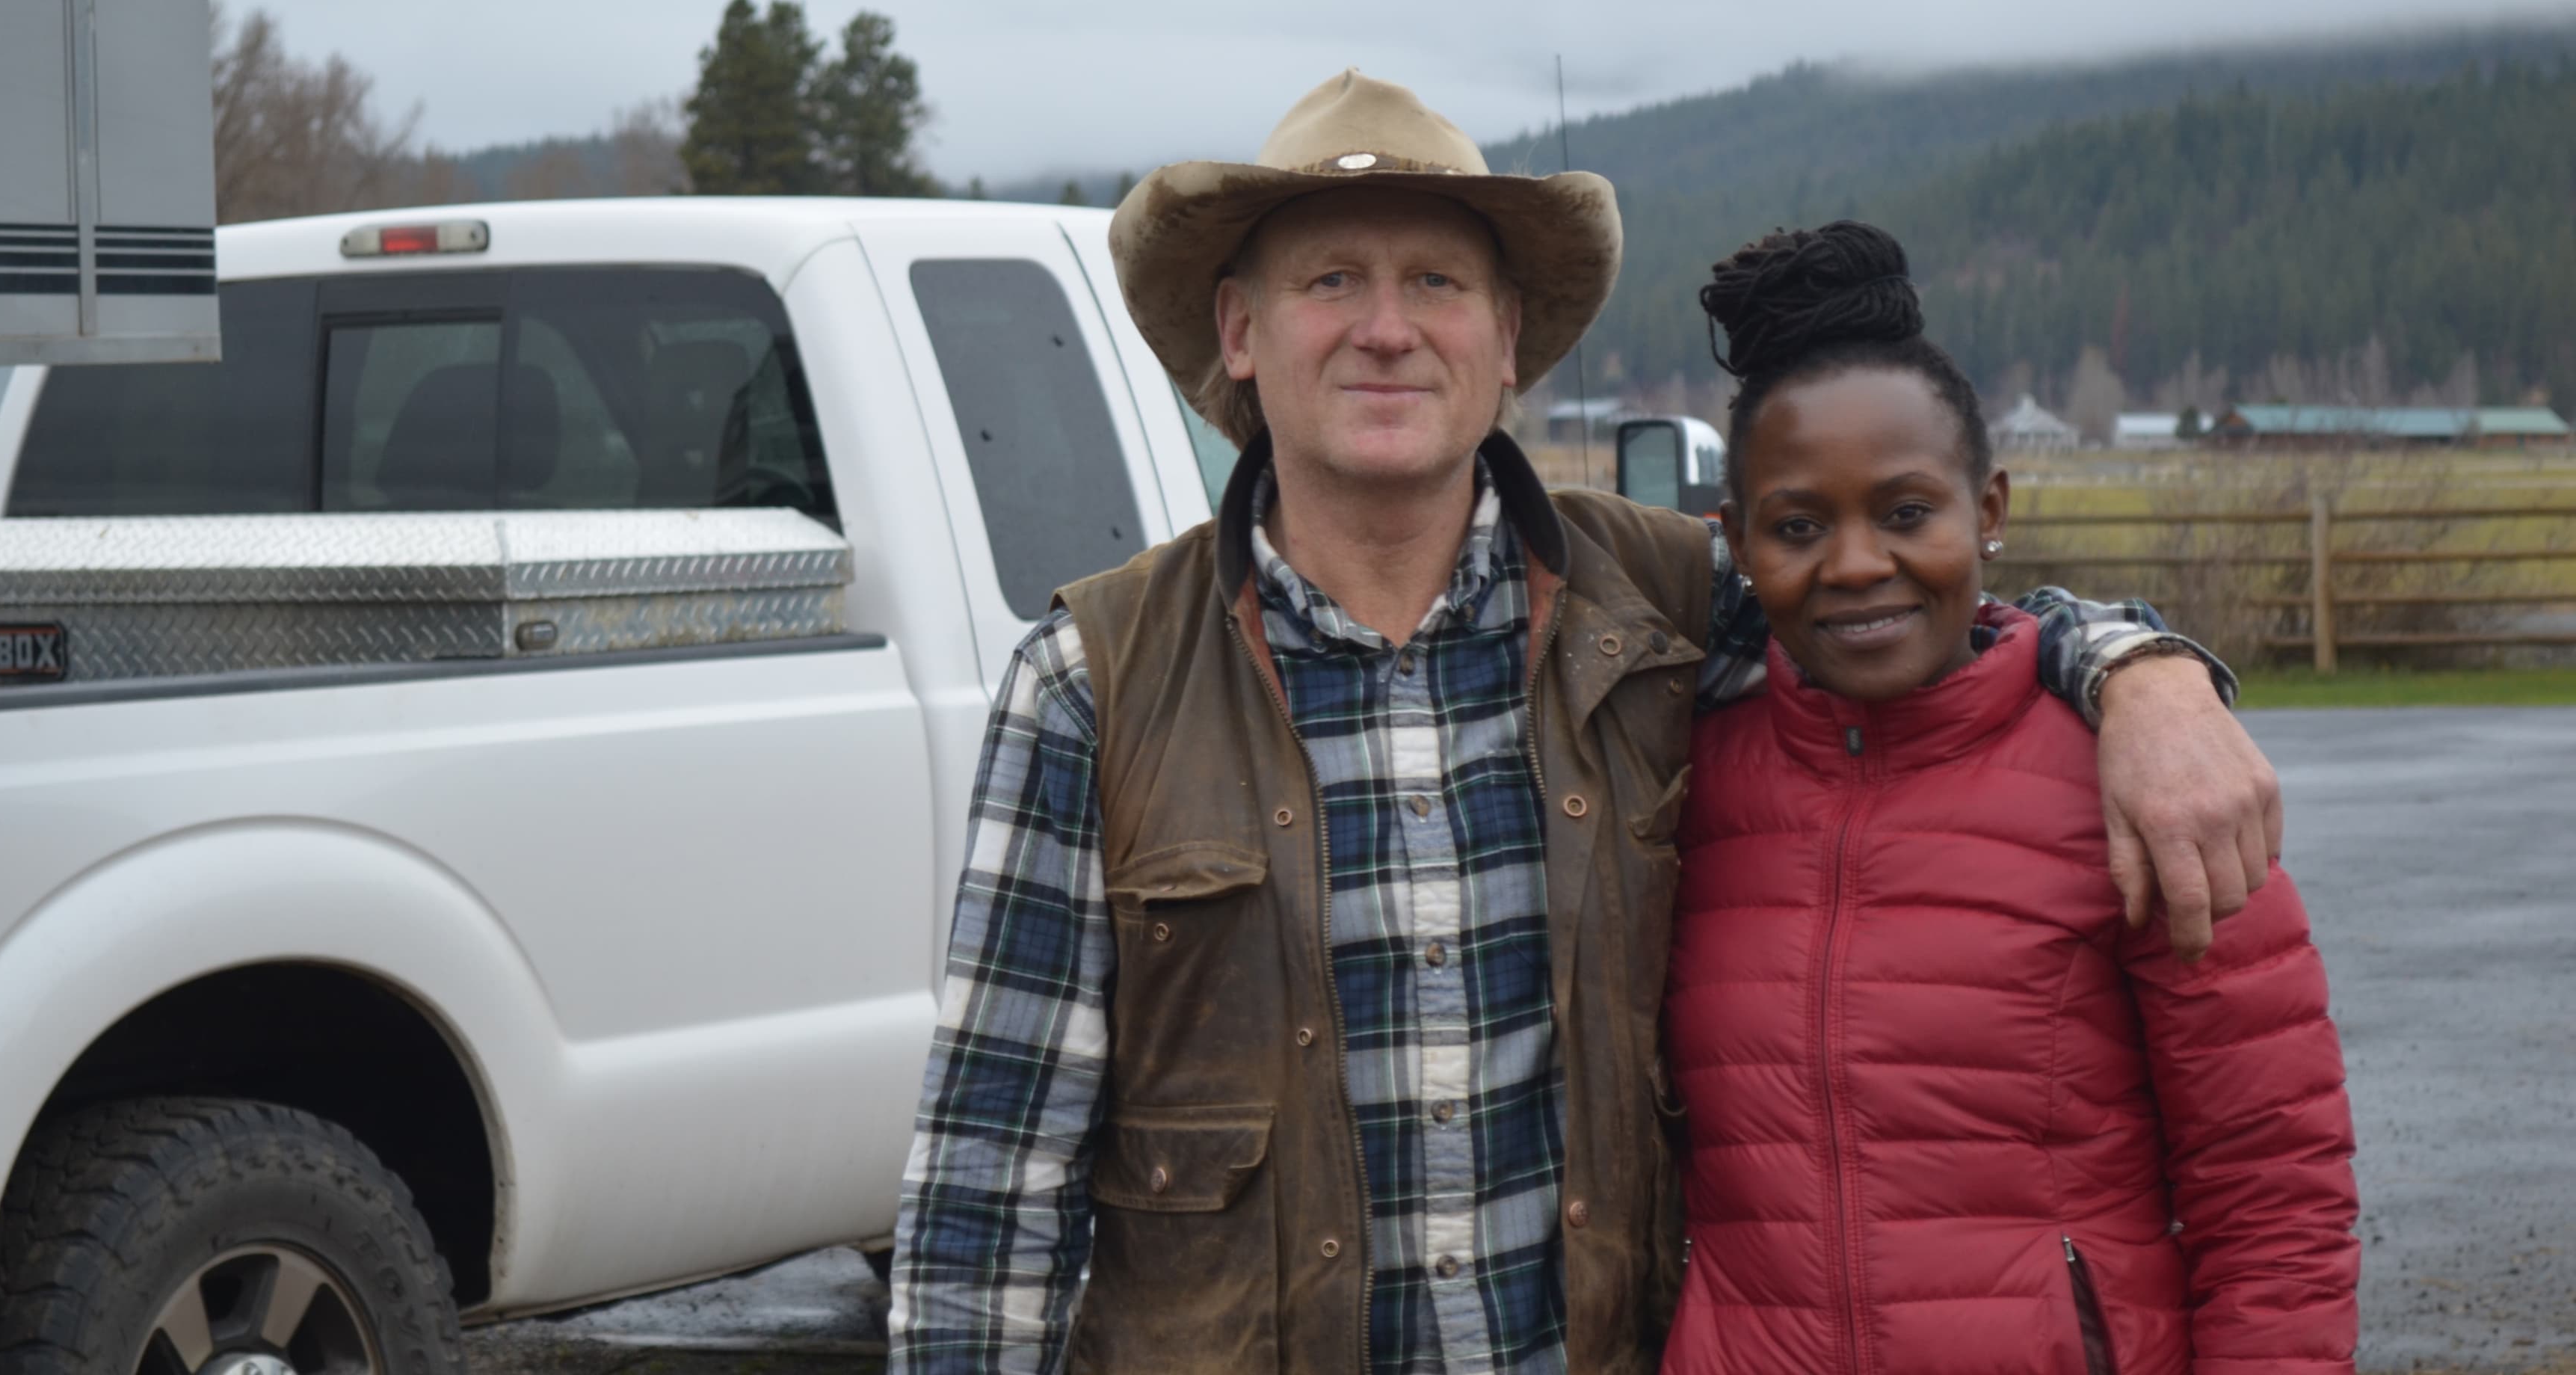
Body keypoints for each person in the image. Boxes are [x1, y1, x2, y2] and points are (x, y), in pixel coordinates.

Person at [886, 71, 2284, 1375]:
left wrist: (2142, 671)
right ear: (1241, 335)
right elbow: (989, 1190)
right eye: (1331, 281)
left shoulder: (1668, 602)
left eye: (1437, 280)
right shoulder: (1094, 679)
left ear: (1508, 344)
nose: (1387, 326)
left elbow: (1929, 619)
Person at [1661, 223, 2358, 1375]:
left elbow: (2272, 1193)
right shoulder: (1674, 785)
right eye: (1796, 526)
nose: (1853, 564)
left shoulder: (2149, 781)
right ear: (1734, 543)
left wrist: (2144, 671)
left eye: (1904, 513)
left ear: (1987, 510)